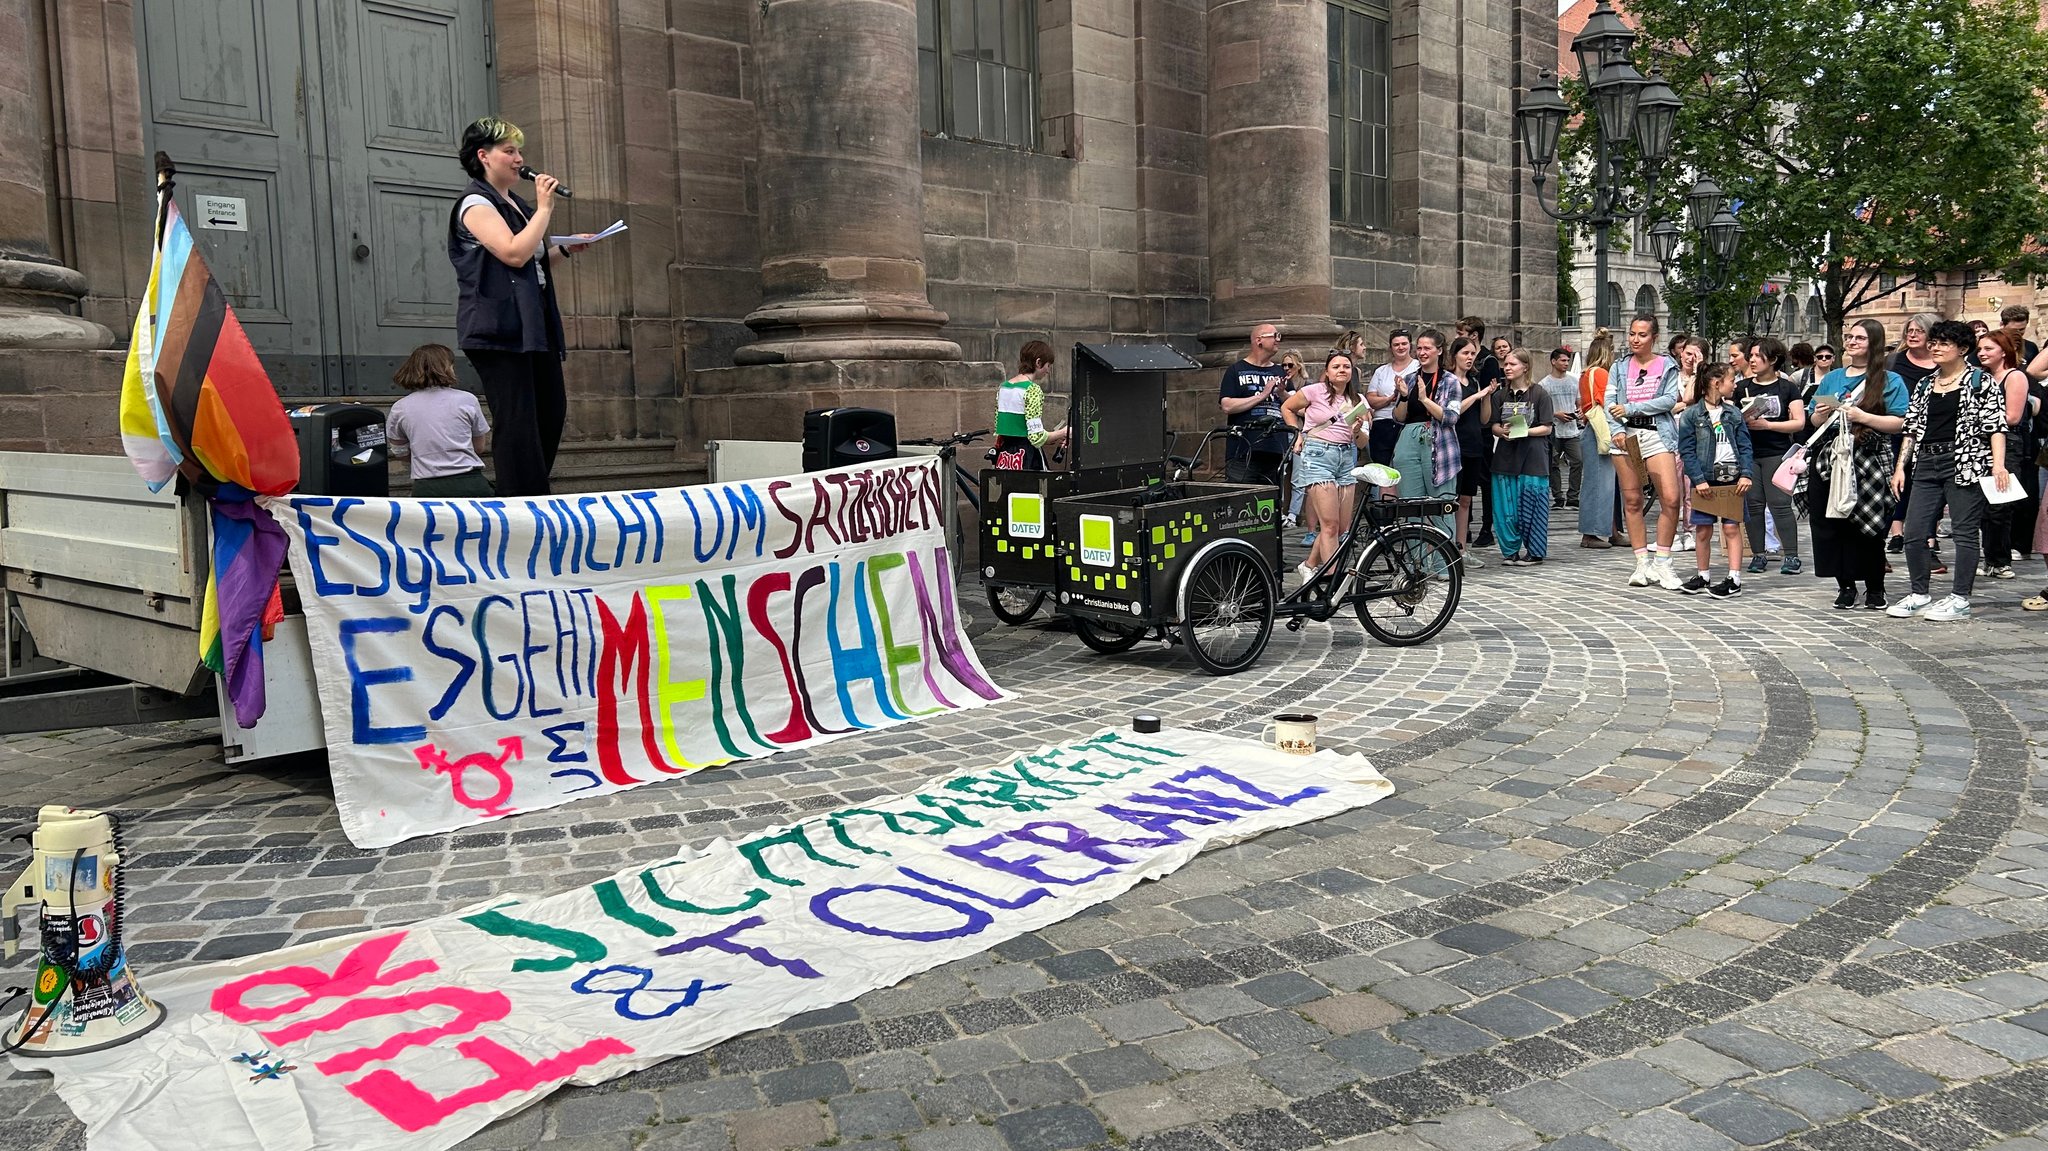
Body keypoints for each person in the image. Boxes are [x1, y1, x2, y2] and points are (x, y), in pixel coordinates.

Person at [449, 116, 586, 498]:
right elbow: (512, 254)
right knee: (517, 420)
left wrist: (565, 250)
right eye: (509, 151)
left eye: (518, 151)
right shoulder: (476, 203)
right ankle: (519, 503)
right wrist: (544, 209)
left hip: (532, 324)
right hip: (497, 328)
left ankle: (531, 492)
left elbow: (532, 262)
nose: (519, 158)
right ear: (484, 156)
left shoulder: (516, 205)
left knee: (550, 410)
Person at [1887, 319, 2014, 622]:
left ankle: (1960, 598)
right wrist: (1900, 467)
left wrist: (1998, 465)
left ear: (1963, 349)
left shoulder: (1980, 382)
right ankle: (1919, 593)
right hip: (1927, 463)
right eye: (1934, 342)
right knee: (1915, 532)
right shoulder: (1925, 383)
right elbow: (1912, 429)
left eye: (1944, 343)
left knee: (1965, 532)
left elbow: (1996, 426)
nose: (1936, 347)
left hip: (1965, 463)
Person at [1807, 319, 1908, 610]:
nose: (1852, 342)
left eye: (1860, 338)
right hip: (1833, 457)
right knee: (1833, 523)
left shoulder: (1889, 380)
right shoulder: (1833, 378)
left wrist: (1863, 417)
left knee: (1870, 524)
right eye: (1850, 337)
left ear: (1873, 343)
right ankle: (1846, 585)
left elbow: (1900, 422)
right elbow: (1814, 420)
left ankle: (1875, 586)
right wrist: (1823, 413)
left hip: (1870, 458)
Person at [1608, 315, 1686, 589]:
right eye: (1632, 334)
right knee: (1632, 501)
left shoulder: (1666, 365)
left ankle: (1663, 560)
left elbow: (1669, 400)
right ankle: (1641, 562)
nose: (1635, 339)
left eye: (1642, 334)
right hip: (1625, 437)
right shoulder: (1619, 366)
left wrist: (1631, 409)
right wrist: (1615, 429)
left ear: (1654, 337)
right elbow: (1609, 401)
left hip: (1657, 434)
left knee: (1671, 498)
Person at [1283, 350, 1370, 585]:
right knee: (1329, 524)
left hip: (1345, 459)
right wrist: (1297, 434)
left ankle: (1309, 565)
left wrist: (1357, 431)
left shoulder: (1359, 401)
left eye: (1346, 366)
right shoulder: (1314, 391)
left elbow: (1363, 443)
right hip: (1318, 455)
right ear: (1327, 372)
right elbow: (1287, 408)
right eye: (1336, 366)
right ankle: (1332, 577)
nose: (1342, 370)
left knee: (1341, 526)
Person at [1674, 362, 1754, 597]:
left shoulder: (1734, 413)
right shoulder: (1691, 415)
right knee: (1703, 529)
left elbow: (1745, 446)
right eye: (1731, 380)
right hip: (1705, 479)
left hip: (1732, 478)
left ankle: (1734, 578)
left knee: (1731, 527)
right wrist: (1697, 479)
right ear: (1716, 383)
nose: (1735, 384)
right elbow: (1686, 450)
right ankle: (1703, 575)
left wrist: (1747, 474)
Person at [1737, 336, 1807, 575]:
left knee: (1780, 505)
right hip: (1749, 453)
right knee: (1753, 505)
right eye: (1751, 355)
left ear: (1774, 359)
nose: (1753, 360)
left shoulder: (1787, 387)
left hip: (1777, 452)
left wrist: (1768, 425)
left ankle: (1792, 555)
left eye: (1758, 356)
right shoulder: (1741, 387)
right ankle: (1758, 554)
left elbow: (1798, 422)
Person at [387, 344, 493, 498]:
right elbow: (479, 447)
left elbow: (400, 451)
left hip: (427, 486)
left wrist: (426, 458)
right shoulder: (467, 399)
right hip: (469, 482)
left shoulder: (400, 408)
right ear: (447, 368)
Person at [1974, 328, 2036, 581]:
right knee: (1984, 507)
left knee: (2000, 505)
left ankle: (2000, 560)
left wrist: (1977, 418)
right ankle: (1990, 557)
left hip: (2008, 444)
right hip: (1982, 444)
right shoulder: (1982, 378)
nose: (1982, 354)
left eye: (1988, 349)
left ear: (2003, 351)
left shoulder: (2014, 377)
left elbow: (2012, 416)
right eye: (1980, 349)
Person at [1392, 328, 1463, 540]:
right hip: (1409, 438)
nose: (1422, 352)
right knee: (1412, 506)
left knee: (1440, 506)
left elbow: (1450, 417)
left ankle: (1444, 567)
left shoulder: (1450, 381)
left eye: (1427, 348)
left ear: (1439, 351)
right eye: (1419, 348)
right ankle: (1418, 566)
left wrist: (1425, 399)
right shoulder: (1410, 378)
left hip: (1439, 441)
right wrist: (1405, 397)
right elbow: (1398, 417)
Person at [1490, 348, 1555, 566]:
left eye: (1512, 364)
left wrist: (1524, 431)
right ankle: (1509, 550)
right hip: (1506, 455)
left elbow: (1547, 427)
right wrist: (1501, 431)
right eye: (1506, 364)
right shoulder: (1500, 395)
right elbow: (1493, 424)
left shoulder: (1540, 393)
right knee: (1505, 506)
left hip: (1533, 455)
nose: (1507, 368)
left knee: (1532, 504)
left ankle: (1535, 551)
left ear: (1525, 367)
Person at [1886, 312, 1942, 556]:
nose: (1912, 334)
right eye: (1909, 330)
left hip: (1935, 434)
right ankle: (1897, 532)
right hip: (1899, 432)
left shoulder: (1942, 363)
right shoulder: (1893, 362)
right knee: (1898, 482)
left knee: (1931, 485)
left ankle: (1928, 533)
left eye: (1919, 330)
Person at [1219, 323, 1290, 483]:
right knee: (1241, 501)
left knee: (1270, 503)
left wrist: (1281, 392)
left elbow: (1294, 406)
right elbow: (1227, 405)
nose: (1278, 340)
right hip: (1243, 449)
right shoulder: (1236, 370)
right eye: (1274, 336)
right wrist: (1262, 395)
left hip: (1275, 449)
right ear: (1259, 341)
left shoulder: (1279, 371)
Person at [1453, 325, 1503, 553]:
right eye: (1465, 353)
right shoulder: (1447, 381)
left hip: (1474, 444)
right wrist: (1477, 396)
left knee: (1466, 499)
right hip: (1454, 445)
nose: (1470, 358)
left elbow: (1484, 419)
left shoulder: (1474, 381)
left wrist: (1486, 397)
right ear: (1455, 356)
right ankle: (1449, 546)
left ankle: (1462, 548)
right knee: (1451, 500)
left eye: (1473, 354)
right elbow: (1453, 412)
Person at [1577, 329, 1623, 549]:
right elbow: (1607, 403)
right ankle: (1592, 533)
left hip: (1592, 429)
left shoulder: (1586, 374)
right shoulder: (1601, 374)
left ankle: (1610, 529)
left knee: (1604, 483)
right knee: (1599, 483)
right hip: (1601, 431)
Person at [994, 339, 1068, 470]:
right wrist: (1063, 432)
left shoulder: (1003, 388)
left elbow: (1000, 429)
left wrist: (1049, 437)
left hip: (1005, 457)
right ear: (1038, 362)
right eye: (1048, 365)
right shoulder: (1032, 389)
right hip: (1026, 457)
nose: (1048, 371)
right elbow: (1036, 437)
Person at [1365, 329, 1418, 481]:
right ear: (1391, 347)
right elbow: (1370, 399)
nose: (1400, 347)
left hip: (1406, 423)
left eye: (1404, 344)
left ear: (1410, 345)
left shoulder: (1417, 367)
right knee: (1382, 469)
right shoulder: (1381, 371)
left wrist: (1385, 399)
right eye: (1396, 344)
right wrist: (1391, 398)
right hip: (1382, 424)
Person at [1538, 347, 1582, 509]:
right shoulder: (1544, 384)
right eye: (1563, 360)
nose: (1566, 363)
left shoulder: (1574, 380)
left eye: (1567, 361)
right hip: (1554, 429)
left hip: (1572, 428)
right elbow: (1541, 409)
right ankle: (1558, 497)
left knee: (1578, 461)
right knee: (1553, 464)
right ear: (1553, 361)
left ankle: (1573, 496)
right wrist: (1557, 414)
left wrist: (1579, 411)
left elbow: (1579, 402)